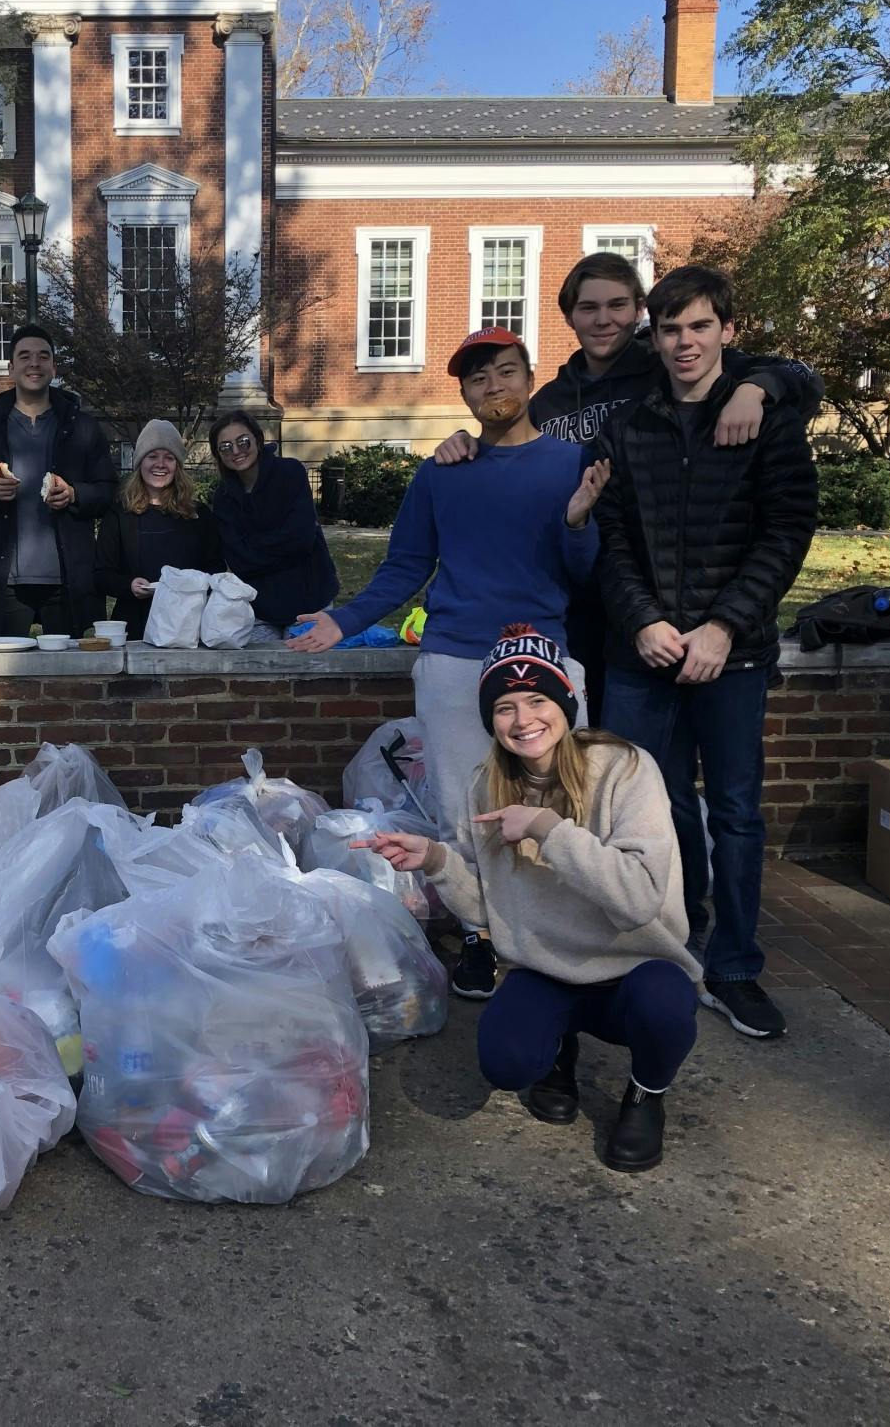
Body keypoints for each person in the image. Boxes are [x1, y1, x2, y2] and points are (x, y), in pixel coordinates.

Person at [291, 327, 607, 1000]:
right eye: (478, 378)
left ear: (530, 379)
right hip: (455, 656)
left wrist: (579, 521)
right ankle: (479, 934)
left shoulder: (571, 462)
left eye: (505, 371)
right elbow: (406, 564)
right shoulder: (442, 471)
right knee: (463, 807)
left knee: (555, 799)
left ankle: (547, 927)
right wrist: (345, 620)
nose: (494, 387)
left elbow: (584, 575)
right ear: (464, 393)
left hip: (542, 656)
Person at [363, 624, 700, 1173]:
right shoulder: (485, 785)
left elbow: (639, 900)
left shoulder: (625, 768)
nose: (522, 720)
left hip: (636, 965)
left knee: (665, 1005)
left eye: (537, 700)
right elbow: (489, 909)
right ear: (490, 720)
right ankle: (558, 1050)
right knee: (506, 1062)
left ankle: (645, 1094)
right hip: (546, 968)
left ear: (566, 703)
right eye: (505, 707)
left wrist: (547, 828)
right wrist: (436, 861)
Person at [431, 252, 824, 707]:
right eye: (588, 307)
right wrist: (467, 440)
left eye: (617, 305)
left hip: (662, 600)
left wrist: (755, 390)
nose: (604, 319)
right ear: (569, 316)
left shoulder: (674, 364)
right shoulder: (550, 402)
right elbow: (511, 444)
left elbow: (803, 376)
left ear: (640, 311)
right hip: (578, 601)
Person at [594, 265, 818, 1041]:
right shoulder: (629, 426)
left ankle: (734, 968)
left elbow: (786, 531)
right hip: (645, 655)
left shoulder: (765, 419)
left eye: (698, 326)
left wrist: (724, 626)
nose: (684, 342)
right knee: (647, 807)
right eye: (670, 329)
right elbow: (610, 539)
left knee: (735, 812)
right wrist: (643, 622)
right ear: (653, 339)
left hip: (735, 656)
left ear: (726, 330)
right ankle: (671, 939)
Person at [0, 324, 117, 637]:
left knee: (70, 668)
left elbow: (108, 491)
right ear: (11, 367)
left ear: (54, 367)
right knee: (3, 668)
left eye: (43, 356)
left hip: (69, 581)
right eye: (25, 356)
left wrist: (75, 494)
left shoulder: (82, 427)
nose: (34, 364)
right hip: (4, 583)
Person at [207, 409, 337, 641]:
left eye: (243, 442)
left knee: (307, 662)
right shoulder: (223, 498)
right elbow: (237, 560)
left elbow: (301, 538)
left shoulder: (290, 473)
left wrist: (254, 548)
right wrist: (280, 544)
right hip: (260, 607)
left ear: (258, 439)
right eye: (225, 447)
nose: (236, 451)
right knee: (259, 663)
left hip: (310, 599)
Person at [93, 418, 223, 632]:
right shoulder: (119, 514)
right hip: (135, 624)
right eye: (152, 456)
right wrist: (128, 585)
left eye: (169, 458)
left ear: (177, 466)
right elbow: (102, 574)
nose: (160, 464)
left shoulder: (199, 515)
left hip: (188, 625)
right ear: (140, 462)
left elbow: (215, 568)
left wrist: (192, 586)